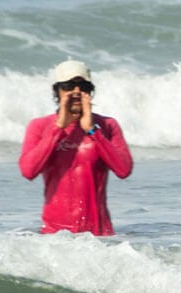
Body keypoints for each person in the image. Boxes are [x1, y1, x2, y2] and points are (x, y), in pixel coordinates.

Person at [19, 60, 133, 236]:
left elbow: (124, 169)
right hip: (55, 236)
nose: (77, 92)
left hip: (100, 234)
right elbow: (28, 170)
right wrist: (58, 128)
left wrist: (92, 131)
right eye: (69, 86)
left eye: (84, 87)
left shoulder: (107, 126)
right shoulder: (40, 126)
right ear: (57, 91)